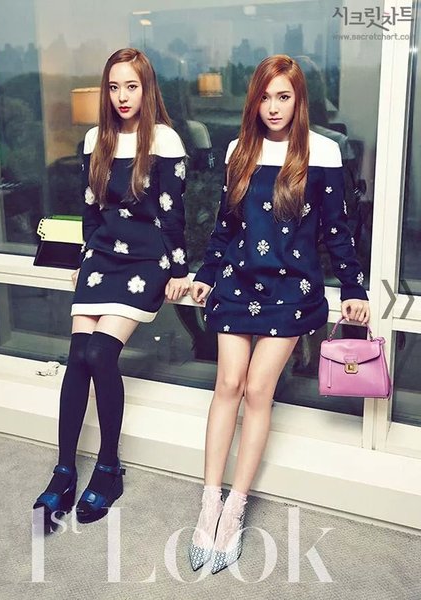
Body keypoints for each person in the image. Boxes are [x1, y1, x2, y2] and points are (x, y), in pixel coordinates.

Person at [189, 54, 369, 573]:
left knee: (257, 390)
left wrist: (353, 287)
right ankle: (209, 503)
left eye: (283, 97)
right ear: (255, 100)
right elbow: (226, 226)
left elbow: (337, 230)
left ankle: (235, 508)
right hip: (237, 282)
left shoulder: (323, 152)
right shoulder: (238, 150)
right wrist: (206, 272)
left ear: (299, 101)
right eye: (265, 97)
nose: (273, 107)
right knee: (227, 384)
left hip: (292, 290)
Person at [33, 48, 190, 532]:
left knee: (101, 353)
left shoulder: (163, 139)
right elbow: (90, 209)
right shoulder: (94, 139)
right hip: (101, 256)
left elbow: (173, 213)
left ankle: (108, 466)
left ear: (147, 90)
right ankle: (64, 470)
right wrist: (85, 258)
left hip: (146, 259)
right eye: (115, 87)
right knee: (78, 355)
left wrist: (179, 269)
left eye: (132, 86)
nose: (123, 96)